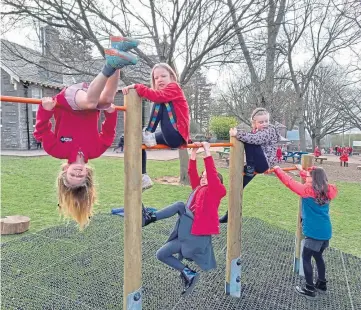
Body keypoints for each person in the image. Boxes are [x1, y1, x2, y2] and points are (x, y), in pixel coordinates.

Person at [34, 36, 139, 229]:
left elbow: (41, 130)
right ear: (87, 174)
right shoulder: (95, 151)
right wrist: (110, 114)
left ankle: (110, 65)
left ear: (65, 171)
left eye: (72, 176)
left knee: (92, 102)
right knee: (106, 101)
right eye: (80, 177)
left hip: (68, 101)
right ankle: (117, 51)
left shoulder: (56, 150)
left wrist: (46, 109)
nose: (77, 174)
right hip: (89, 102)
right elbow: (108, 134)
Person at [142, 142, 226, 296]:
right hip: (188, 233)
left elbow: (213, 176)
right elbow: (192, 173)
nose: (203, 178)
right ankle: (188, 273)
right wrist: (193, 153)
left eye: (207, 177)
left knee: (180, 206)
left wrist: (207, 151)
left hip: (197, 234)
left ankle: (149, 218)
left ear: (216, 181)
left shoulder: (216, 191)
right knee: (161, 254)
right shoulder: (199, 189)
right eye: (203, 176)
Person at [122, 63, 190, 191]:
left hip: (176, 134)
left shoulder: (174, 88)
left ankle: (149, 132)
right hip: (171, 135)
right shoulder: (165, 93)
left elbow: (157, 96)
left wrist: (137, 87)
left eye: (163, 76)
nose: (159, 80)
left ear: (171, 77)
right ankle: (144, 176)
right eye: (156, 78)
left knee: (159, 99)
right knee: (137, 140)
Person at [273, 165, 337, 300]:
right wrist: (302, 171)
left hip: (314, 233)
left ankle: (309, 288)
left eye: (309, 176)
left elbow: (289, 182)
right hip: (325, 231)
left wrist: (278, 169)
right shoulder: (328, 189)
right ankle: (322, 283)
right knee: (318, 257)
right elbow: (311, 181)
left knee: (306, 258)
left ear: (312, 179)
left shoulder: (307, 191)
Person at [219, 107, 280, 223]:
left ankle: (250, 167)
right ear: (254, 123)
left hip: (263, 163)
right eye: (261, 122)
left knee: (250, 139)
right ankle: (229, 215)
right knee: (238, 186)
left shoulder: (269, 131)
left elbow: (256, 139)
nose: (265, 124)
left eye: (266, 121)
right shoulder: (255, 131)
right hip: (257, 163)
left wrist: (237, 134)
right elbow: (252, 139)